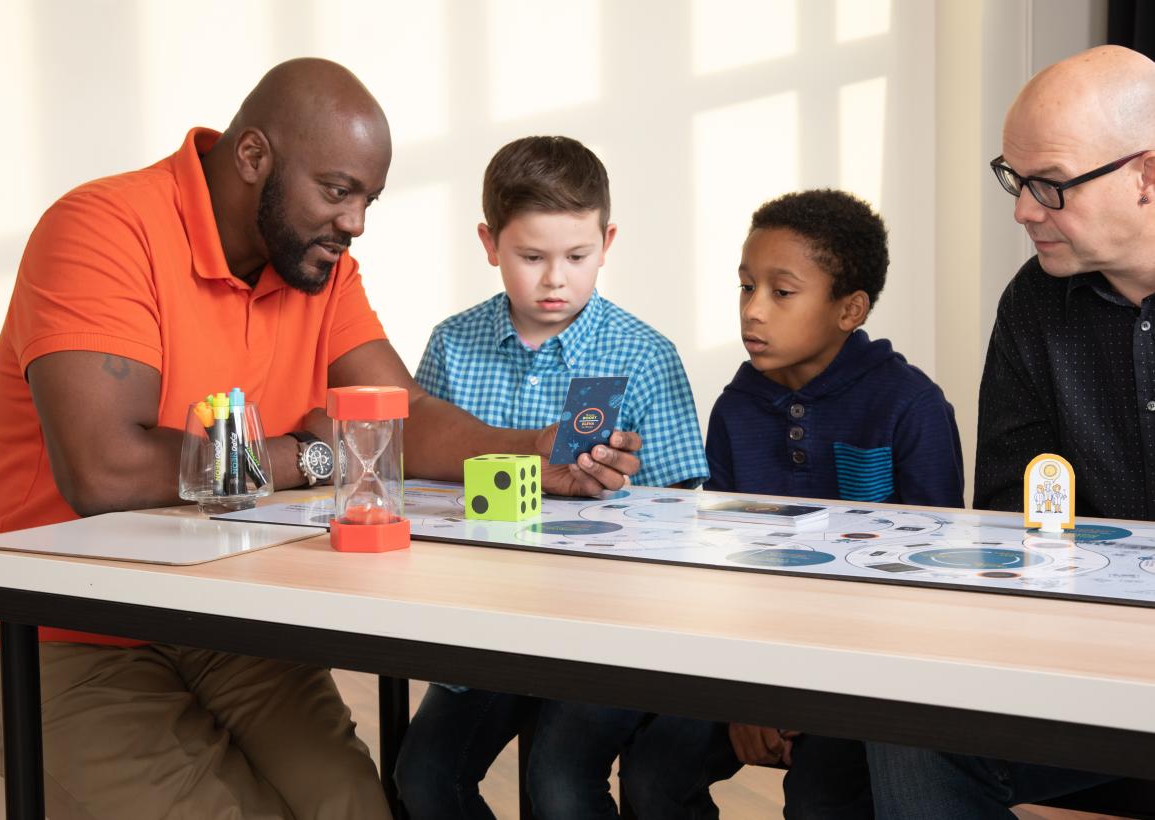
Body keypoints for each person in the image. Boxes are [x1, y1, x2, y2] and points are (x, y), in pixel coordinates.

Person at [0, 60, 640, 820]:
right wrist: (310, 454)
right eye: (337, 191)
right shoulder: (105, 228)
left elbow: (402, 413)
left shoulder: (320, 269)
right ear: (253, 157)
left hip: (213, 615)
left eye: (368, 199)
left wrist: (537, 452)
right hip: (48, 632)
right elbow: (106, 469)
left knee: (360, 806)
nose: (356, 222)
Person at [865, 43, 1155, 819]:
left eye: (1050, 185)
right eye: (1015, 180)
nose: (1024, 209)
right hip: (1087, 648)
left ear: (1148, 175)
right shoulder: (1035, 303)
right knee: (901, 722)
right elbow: (1008, 519)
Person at [621, 189, 964, 820]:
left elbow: (933, 591)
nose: (752, 310)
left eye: (781, 292)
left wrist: (810, 699)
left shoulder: (910, 407)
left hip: (868, 679)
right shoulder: (735, 408)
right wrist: (747, 697)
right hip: (753, 665)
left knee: (818, 802)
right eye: (745, 286)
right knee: (653, 773)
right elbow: (723, 576)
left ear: (849, 309)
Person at [393, 135, 708, 820]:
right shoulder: (453, 344)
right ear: (489, 242)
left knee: (560, 788)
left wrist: (628, 494)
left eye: (577, 256)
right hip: (483, 626)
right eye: (530, 257)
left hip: (606, 636)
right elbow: (418, 476)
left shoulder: (646, 356)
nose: (555, 279)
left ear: (608, 240)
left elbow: (684, 519)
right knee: (422, 777)